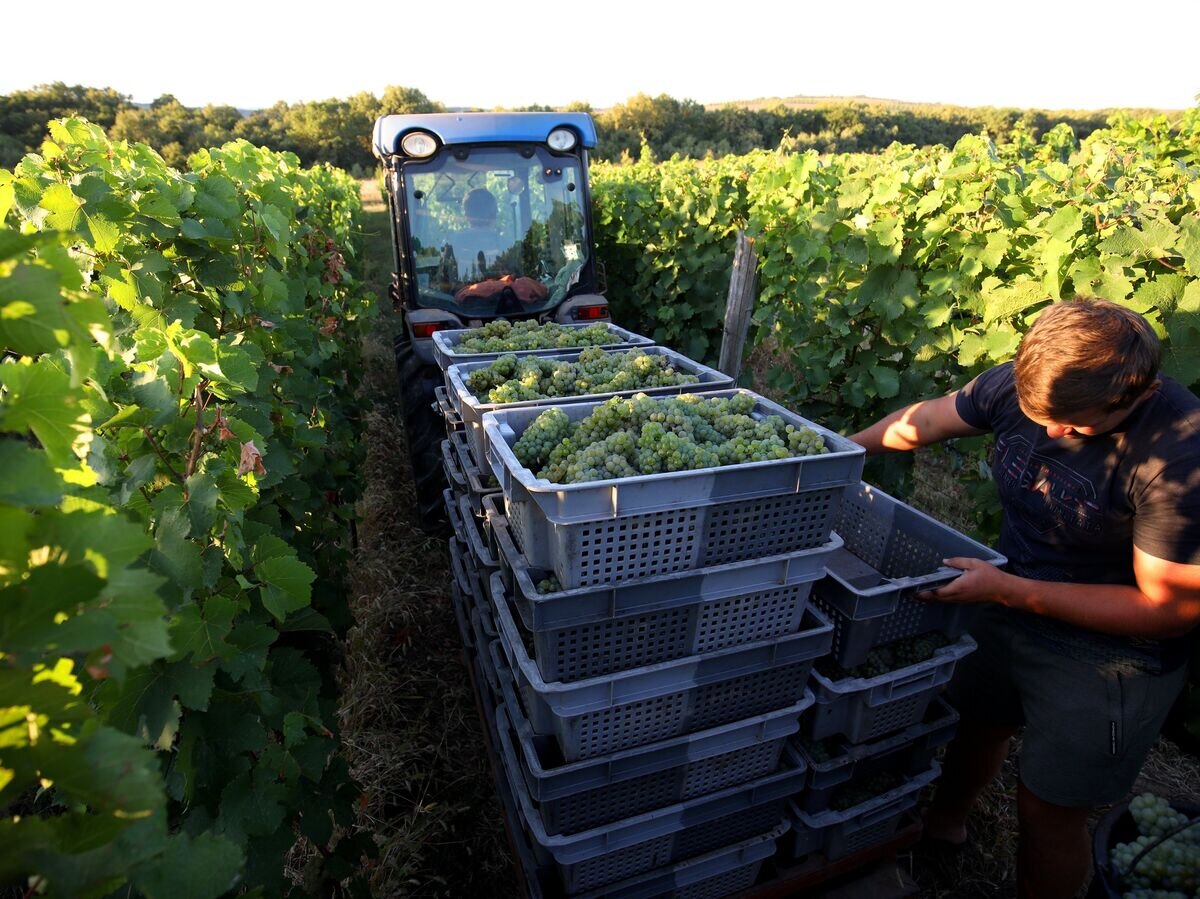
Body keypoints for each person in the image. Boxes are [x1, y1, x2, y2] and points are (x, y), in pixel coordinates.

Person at [847, 297, 1200, 899]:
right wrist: (835, 453)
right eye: (1041, 417)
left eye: (1075, 424)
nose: (1053, 434)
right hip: (1010, 594)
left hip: (1113, 653)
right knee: (973, 724)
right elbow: (926, 421)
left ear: (1137, 394)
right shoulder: (1025, 388)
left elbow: (1170, 610)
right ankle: (944, 831)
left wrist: (1010, 590)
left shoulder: (1177, 459)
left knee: (1049, 805)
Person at [454, 188, 504, 281]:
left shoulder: (455, 243)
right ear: (495, 214)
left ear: (467, 215)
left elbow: (445, 279)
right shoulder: (508, 245)